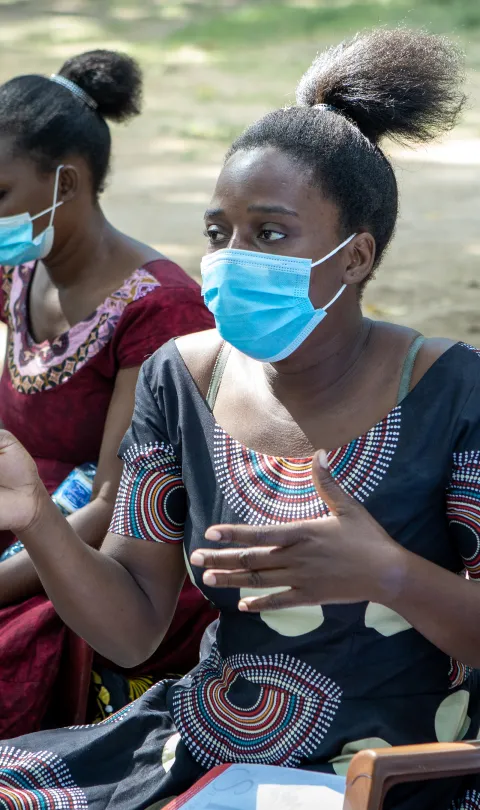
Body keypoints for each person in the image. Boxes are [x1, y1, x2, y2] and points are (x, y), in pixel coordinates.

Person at [0, 27, 478, 810]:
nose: (229, 258)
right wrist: (38, 524)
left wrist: (389, 573)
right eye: (218, 233)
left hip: (402, 768)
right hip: (210, 744)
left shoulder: (450, 387)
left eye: (271, 233)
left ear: (354, 258)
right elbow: (132, 633)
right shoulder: (182, 378)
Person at [0, 49, 215, 738]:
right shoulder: (19, 273)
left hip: (102, 555)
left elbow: (116, 502)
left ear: (68, 180)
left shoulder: (161, 309)